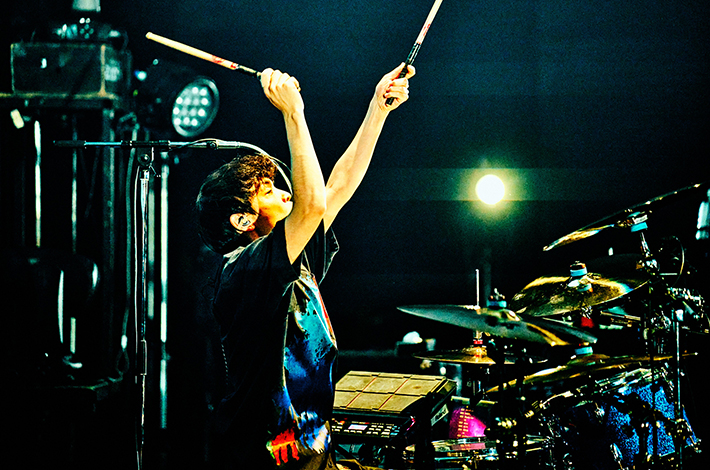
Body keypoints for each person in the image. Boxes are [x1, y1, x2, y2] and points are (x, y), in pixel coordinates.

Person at [196, 62, 415, 470]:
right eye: (269, 192)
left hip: (311, 455)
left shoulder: (291, 261)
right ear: (242, 220)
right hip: (266, 458)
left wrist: (377, 109)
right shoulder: (244, 270)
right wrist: (292, 112)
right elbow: (312, 204)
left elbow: (335, 189)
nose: (286, 194)